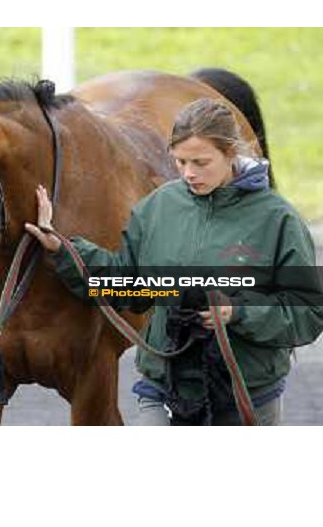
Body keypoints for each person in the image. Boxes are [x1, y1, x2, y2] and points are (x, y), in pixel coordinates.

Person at [25, 98, 323, 426]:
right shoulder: (158, 207)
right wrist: (65, 249)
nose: (188, 173)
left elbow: (308, 313)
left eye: (201, 162)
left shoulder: (278, 220)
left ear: (231, 153)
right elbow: (130, 287)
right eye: (180, 161)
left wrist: (237, 313)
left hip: (247, 393)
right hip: (164, 387)